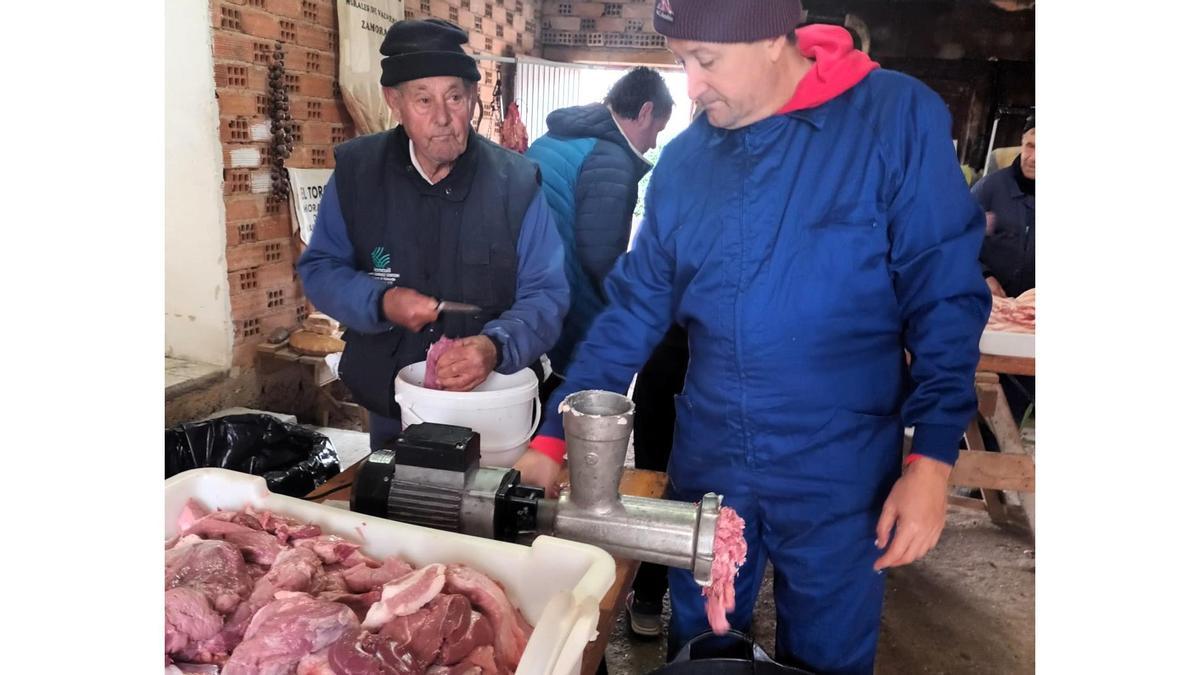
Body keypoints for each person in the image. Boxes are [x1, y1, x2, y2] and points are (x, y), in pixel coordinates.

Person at [516, 2, 992, 672]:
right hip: (714, 453)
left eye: (705, 60)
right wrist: (550, 439)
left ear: (772, 39)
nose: (691, 86)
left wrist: (933, 459)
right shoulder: (687, 162)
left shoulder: (891, 119)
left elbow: (944, 294)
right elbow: (630, 311)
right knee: (703, 644)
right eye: (681, 60)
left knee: (828, 653)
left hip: (840, 462)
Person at [297, 18, 569, 452]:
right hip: (396, 400)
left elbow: (547, 293)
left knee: (492, 492)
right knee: (395, 490)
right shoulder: (358, 173)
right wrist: (380, 301)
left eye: (454, 97)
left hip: (492, 403)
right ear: (394, 101)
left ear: (472, 97)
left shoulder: (515, 183)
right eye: (423, 100)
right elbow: (321, 268)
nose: (442, 118)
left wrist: (496, 346)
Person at [524, 66, 674, 398]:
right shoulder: (612, 161)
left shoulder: (559, 137)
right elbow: (601, 259)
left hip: (530, 302)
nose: (653, 144)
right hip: (566, 314)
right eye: (657, 130)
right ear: (645, 112)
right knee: (567, 411)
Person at [972, 114, 1035, 423]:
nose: (1034, 157)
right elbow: (956, 243)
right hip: (989, 313)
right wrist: (984, 274)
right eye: (1030, 146)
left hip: (1032, 321)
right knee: (979, 403)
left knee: (1017, 404)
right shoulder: (990, 189)